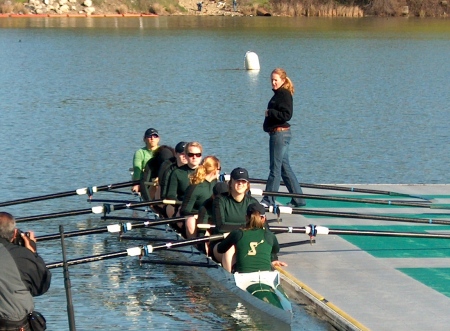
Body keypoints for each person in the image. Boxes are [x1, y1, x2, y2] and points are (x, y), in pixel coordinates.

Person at [260, 68, 306, 208]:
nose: (273, 83)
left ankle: (268, 200)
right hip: (280, 134)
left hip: (280, 134)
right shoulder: (279, 94)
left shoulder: (284, 94)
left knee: (275, 168)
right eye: (272, 80)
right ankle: (298, 199)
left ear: (283, 80)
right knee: (284, 168)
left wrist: (270, 112)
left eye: (276, 80)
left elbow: (287, 115)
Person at [0, 212, 51, 331]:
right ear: (14, 235)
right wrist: (32, 254)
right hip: (15, 325)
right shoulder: (22, 256)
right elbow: (41, 286)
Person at [214, 203, 287, 273]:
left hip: (242, 276)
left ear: (246, 218)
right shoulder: (270, 235)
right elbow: (275, 250)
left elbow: (220, 249)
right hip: (265, 276)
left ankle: (229, 277)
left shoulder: (237, 233)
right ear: (264, 219)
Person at [180, 156, 221, 238]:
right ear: (215, 170)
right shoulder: (195, 187)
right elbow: (184, 210)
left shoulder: (217, 185)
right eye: (220, 168)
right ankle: (196, 245)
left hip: (212, 218)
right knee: (190, 220)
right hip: (197, 220)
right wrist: (198, 215)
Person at [211, 167, 258, 235]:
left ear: (247, 185)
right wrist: (247, 227)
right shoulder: (220, 200)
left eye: (243, 181)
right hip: (224, 239)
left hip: (245, 239)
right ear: (230, 183)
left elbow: (263, 227)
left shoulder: (253, 202)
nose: (240, 183)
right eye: (237, 180)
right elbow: (220, 226)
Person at [165, 142, 203, 218]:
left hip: (202, 209)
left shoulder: (207, 172)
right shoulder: (177, 173)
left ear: (201, 157)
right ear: (186, 156)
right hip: (184, 207)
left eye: (198, 155)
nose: (194, 157)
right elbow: (171, 194)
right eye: (191, 154)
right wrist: (182, 205)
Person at [132, 128, 160, 193]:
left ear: (158, 139)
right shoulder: (140, 153)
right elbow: (137, 170)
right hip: (146, 182)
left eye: (155, 136)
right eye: (149, 136)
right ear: (144, 139)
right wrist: (136, 184)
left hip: (159, 181)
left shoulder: (163, 151)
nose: (152, 138)